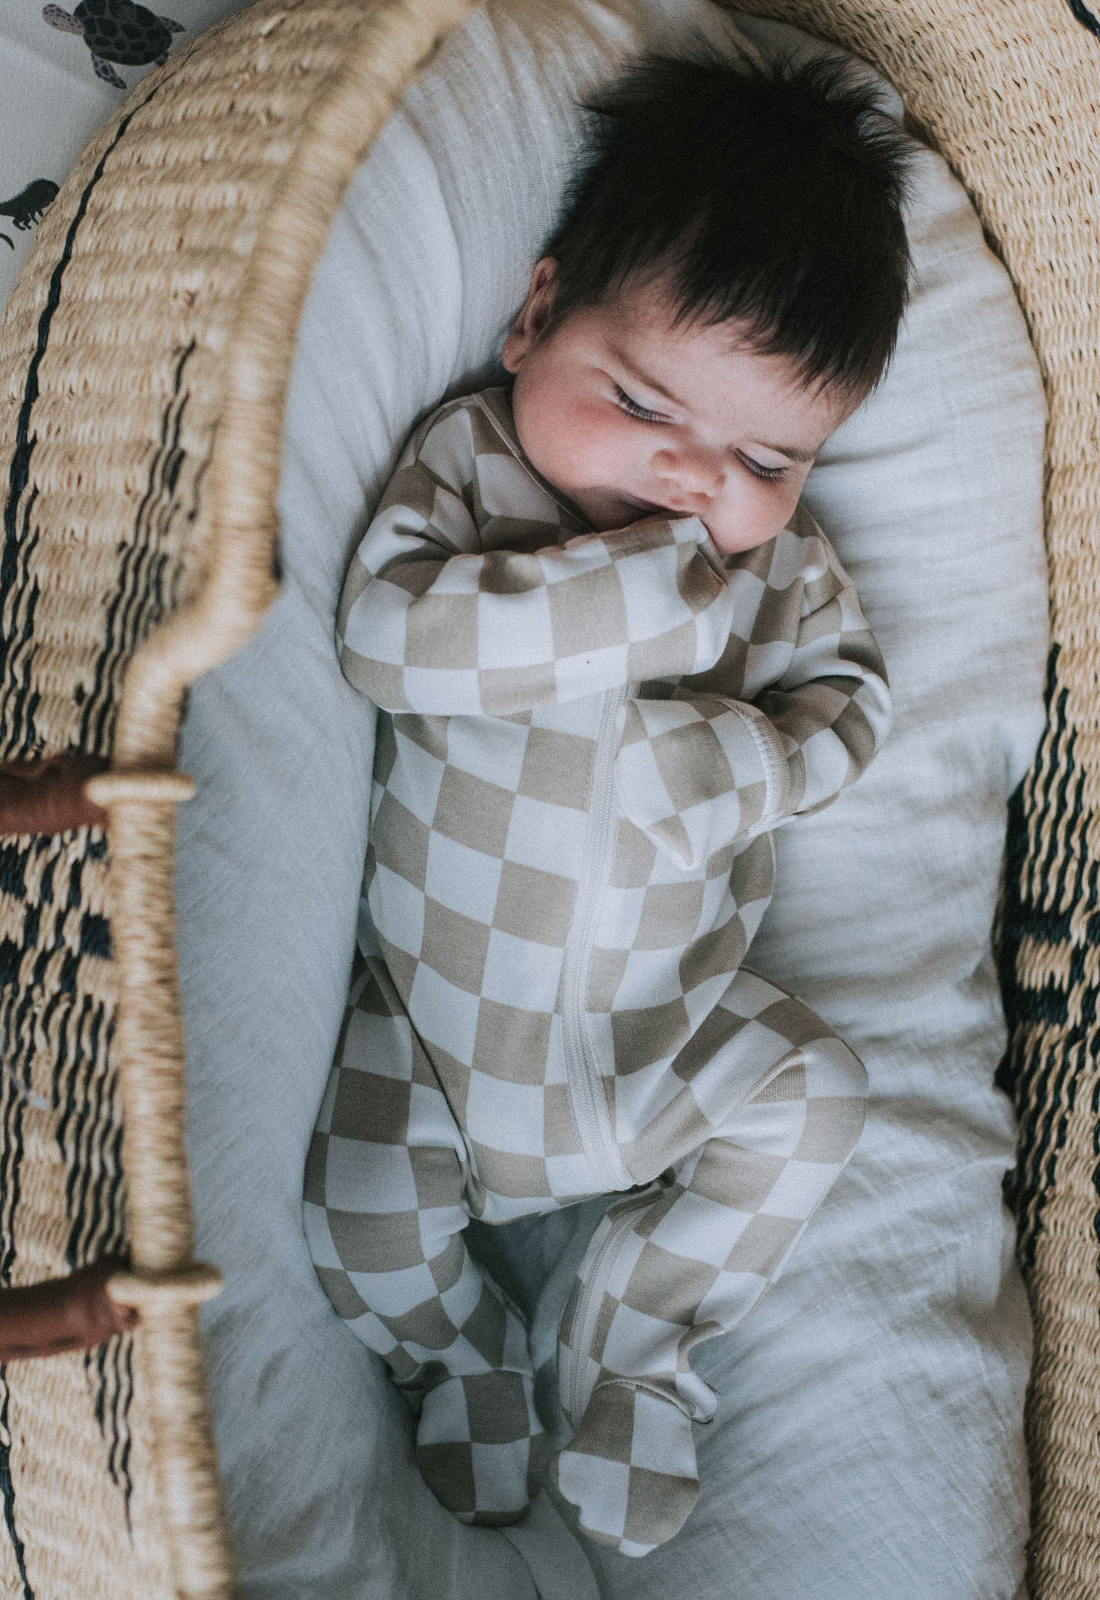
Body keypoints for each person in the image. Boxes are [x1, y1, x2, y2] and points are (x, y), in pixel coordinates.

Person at [304, 40, 912, 1556]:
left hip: (664, 1033)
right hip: (438, 1030)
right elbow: (387, 644)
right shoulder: (475, 472)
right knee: (358, 1215)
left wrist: (756, 766)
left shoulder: (782, 567)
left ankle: (636, 1340)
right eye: (643, 400)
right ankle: (457, 1349)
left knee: (818, 1094)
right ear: (533, 320)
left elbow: (852, 707)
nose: (694, 481)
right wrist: (624, 598)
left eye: (767, 454)